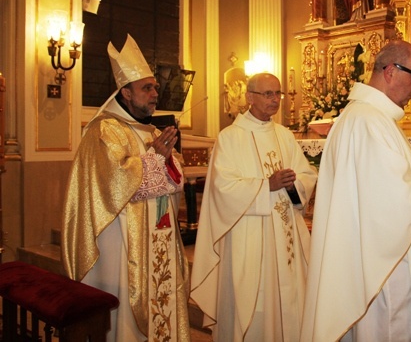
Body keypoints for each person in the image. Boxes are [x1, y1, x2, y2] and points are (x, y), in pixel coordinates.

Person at [300, 40, 411, 341]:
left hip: (375, 260)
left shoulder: (367, 117)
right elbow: (393, 204)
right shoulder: (368, 121)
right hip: (387, 270)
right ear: (390, 71)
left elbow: (380, 180)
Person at [62, 34, 191, 341]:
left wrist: (168, 161)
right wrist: (156, 159)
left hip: (158, 233)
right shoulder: (103, 129)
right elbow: (115, 182)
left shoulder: (149, 129)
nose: (154, 93)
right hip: (120, 241)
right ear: (125, 92)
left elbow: (174, 177)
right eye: (147, 88)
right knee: (125, 324)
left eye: (155, 87)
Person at [190, 73, 318, 341]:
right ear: (250, 97)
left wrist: (294, 185)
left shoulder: (284, 135)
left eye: (278, 94)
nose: (275, 100)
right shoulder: (230, 138)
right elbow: (222, 188)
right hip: (249, 236)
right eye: (268, 94)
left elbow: (307, 174)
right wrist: (266, 186)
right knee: (255, 299)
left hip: (285, 235)